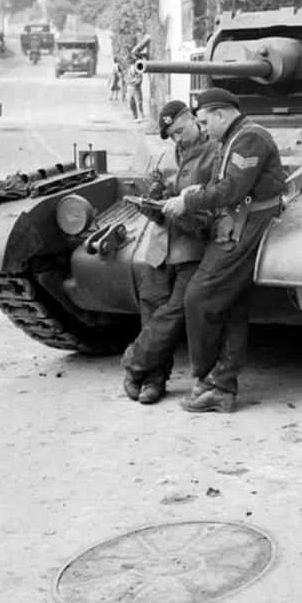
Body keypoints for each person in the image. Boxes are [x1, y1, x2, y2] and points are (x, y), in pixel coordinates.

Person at [164, 88, 286, 413]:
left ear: (221, 114)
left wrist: (188, 200)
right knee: (231, 302)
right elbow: (226, 182)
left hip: (249, 222)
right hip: (238, 217)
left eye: (205, 121)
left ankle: (210, 380)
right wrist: (197, 190)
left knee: (198, 296)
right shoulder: (232, 137)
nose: (204, 128)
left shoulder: (249, 139)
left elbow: (233, 188)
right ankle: (222, 385)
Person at [121, 101, 217, 405]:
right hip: (160, 244)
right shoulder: (167, 154)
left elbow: (217, 200)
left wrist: (181, 206)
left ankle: (136, 361)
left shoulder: (216, 153)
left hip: (193, 245)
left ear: (192, 119)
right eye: (172, 135)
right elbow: (158, 183)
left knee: (176, 311)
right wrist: (152, 198)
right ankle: (153, 379)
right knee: (151, 306)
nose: (177, 138)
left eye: (179, 131)